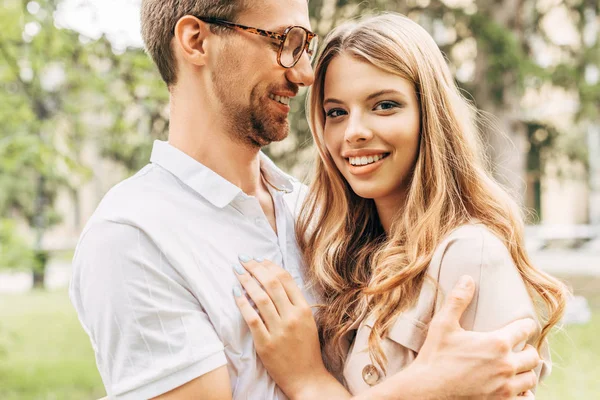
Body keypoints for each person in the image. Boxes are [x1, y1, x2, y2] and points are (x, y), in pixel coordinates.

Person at [70, 2, 547, 399]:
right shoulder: (133, 237)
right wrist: (426, 388)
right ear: (196, 41)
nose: (303, 74)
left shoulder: (317, 219)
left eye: (305, 46)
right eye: (283, 41)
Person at [231, 12, 568, 399]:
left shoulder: (467, 257)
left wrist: (307, 380)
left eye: (385, 105)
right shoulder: (346, 258)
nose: (354, 132)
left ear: (430, 115)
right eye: (336, 112)